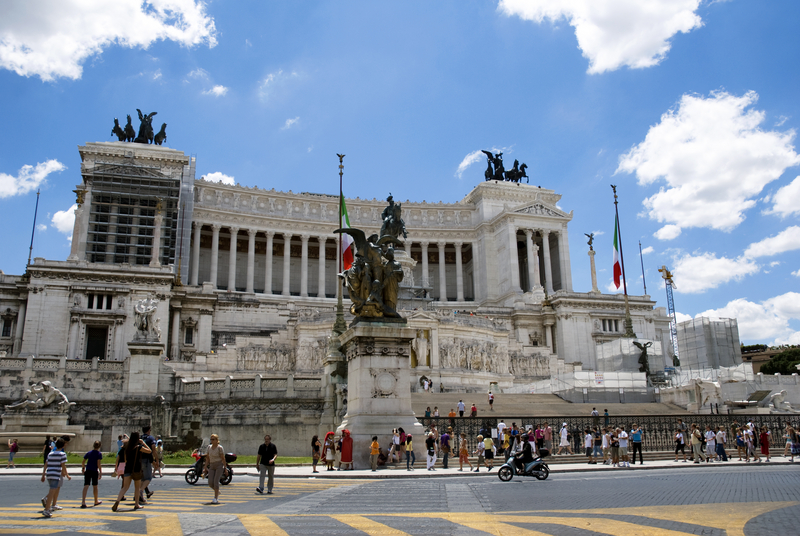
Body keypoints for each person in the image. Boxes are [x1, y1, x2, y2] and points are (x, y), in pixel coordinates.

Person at [112, 432, 150, 512]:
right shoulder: (138, 447)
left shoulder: (127, 448)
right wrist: (143, 443)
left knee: (125, 487)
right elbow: (149, 451)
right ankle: (136, 504)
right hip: (136, 469)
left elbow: (125, 460)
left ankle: (117, 501)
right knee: (137, 488)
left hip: (127, 469)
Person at [40, 438, 70, 517]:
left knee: (52, 491)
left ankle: (49, 507)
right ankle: (46, 509)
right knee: (51, 492)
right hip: (55, 475)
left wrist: (43, 475)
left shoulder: (50, 454)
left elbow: (46, 464)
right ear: (63, 445)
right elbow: (63, 466)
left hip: (49, 474)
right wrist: (67, 475)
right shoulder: (62, 454)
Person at [202, 434, 229, 504]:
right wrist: (205, 467)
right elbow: (207, 458)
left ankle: (215, 498)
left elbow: (223, 458)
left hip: (219, 465)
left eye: (213, 439)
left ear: (217, 440)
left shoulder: (220, 448)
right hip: (212, 465)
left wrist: (225, 468)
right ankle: (217, 491)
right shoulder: (209, 447)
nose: (212, 441)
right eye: (211, 439)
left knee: (216, 481)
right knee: (210, 482)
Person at [81, 440, 103, 508]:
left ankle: (83, 502)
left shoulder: (89, 453)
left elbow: (83, 461)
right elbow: (98, 464)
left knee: (86, 485)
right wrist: (100, 472)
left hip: (88, 470)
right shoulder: (99, 454)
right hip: (94, 471)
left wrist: (83, 468)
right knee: (95, 486)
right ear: (99, 446)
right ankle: (96, 500)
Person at [139, 425, 158, 504]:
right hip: (146, 460)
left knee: (141, 479)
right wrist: (156, 460)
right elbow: (153, 449)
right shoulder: (151, 438)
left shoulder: (139, 438)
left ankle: (140, 496)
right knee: (148, 478)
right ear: (149, 430)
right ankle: (140, 491)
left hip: (139, 460)